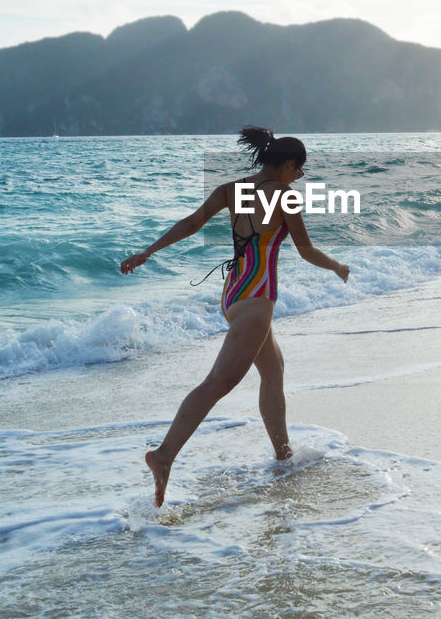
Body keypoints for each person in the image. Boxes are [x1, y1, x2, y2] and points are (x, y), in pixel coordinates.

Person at [120, 126, 350, 507]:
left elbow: (191, 224)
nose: (298, 178)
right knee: (219, 382)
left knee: (273, 370)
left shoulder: (231, 189)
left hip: (233, 293)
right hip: (258, 296)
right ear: (289, 164)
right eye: (299, 171)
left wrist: (150, 250)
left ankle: (283, 456)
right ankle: (163, 456)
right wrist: (337, 266)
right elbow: (305, 249)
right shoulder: (284, 196)